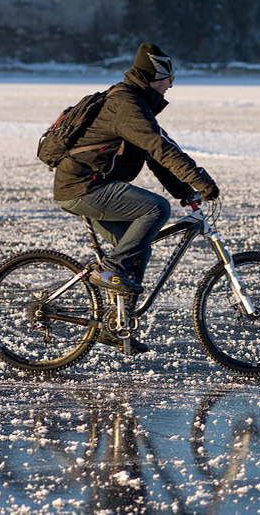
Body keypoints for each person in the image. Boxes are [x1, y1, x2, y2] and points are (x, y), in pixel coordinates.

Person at [53, 42, 219, 349]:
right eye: (168, 78)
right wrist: (202, 180)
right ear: (153, 77)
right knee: (155, 209)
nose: (171, 85)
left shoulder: (136, 105)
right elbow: (160, 147)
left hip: (93, 186)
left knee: (138, 249)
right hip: (84, 187)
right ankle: (110, 269)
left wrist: (185, 191)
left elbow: (154, 156)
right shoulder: (126, 105)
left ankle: (116, 327)